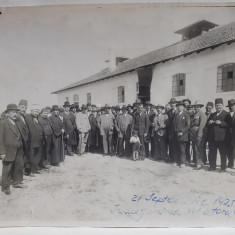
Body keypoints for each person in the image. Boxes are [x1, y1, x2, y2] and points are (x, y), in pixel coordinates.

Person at [0, 104, 24, 194]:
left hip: (18, 149)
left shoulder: (17, 122)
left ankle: (16, 182)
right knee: (7, 168)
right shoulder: (3, 123)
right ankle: (5, 186)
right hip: (8, 150)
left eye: (16, 112)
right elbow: (0, 139)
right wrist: (2, 152)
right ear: (7, 113)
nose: (15, 114)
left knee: (18, 166)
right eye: (13, 112)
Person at [207, 98, 231, 172]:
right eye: (217, 106)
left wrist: (221, 123)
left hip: (222, 138)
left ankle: (223, 168)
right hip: (213, 138)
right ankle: (212, 166)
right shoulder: (212, 114)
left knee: (222, 153)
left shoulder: (226, 114)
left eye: (219, 105)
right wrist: (209, 122)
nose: (218, 107)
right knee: (212, 152)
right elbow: (208, 124)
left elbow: (230, 125)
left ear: (222, 106)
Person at [25, 104, 44, 175]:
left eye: (37, 111)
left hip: (39, 140)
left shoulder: (38, 117)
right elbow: (29, 129)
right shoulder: (28, 117)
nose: (36, 113)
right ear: (31, 111)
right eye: (35, 111)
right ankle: (29, 171)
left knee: (37, 155)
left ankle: (35, 169)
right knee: (31, 156)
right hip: (32, 140)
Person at [190, 101, 207, 170]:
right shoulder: (194, 114)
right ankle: (196, 162)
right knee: (195, 148)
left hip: (199, 134)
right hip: (193, 134)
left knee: (199, 149)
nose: (196, 108)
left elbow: (202, 125)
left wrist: (199, 135)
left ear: (200, 107)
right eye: (195, 106)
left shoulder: (202, 114)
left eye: (198, 106)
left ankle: (199, 164)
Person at [173, 101, 191, 167]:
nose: (179, 107)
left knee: (182, 149)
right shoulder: (176, 115)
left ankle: (183, 162)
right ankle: (177, 161)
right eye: (178, 106)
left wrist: (182, 132)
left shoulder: (186, 115)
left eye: (181, 106)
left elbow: (188, 125)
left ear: (183, 107)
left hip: (182, 135)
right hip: (176, 135)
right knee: (176, 148)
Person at [16, 99, 30, 175]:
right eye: (22, 107)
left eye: (25, 108)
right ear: (18, 107)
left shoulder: (24, 117)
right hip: (19, 141)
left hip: (25, 140)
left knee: (24, 157)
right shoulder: (16, 116)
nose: (24, 109)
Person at [167, 98, 178, 163]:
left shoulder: (178, 111)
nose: (172, 105)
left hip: (176, 130)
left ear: (176, 104)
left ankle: (175, 159)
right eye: (171, 103)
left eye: (173, 103)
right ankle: (171, 158)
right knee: (170, 144)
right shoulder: (168, 112)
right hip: (170, 130)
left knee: (176, 145)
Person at [226, 99, 235, 168]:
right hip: (228, 135)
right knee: (229, 150)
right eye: (230, 106)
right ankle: (230, 163)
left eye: (232, 105)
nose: (231, 107)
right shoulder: (227, 114)